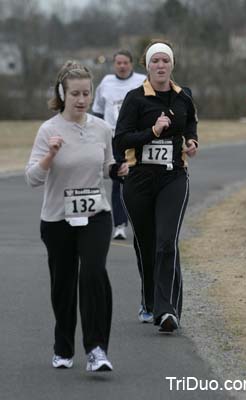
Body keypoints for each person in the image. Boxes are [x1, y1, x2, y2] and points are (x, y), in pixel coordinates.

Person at [25, 60, 128, 371]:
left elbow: (108, 166)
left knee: (94, 273)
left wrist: (117, 170)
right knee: (63, 284)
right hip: (57, 219)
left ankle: (97, 349)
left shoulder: (102, 128)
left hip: (96, 213)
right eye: (75, 94)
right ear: (62, 94)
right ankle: (63, 346)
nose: (82, 100)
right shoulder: (49, 130)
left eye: (86, 93)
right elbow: (32, 178)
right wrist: (50, 155)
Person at [113, 39, 198, 332]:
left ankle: (167, 311)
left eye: (165, 61)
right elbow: (121, 140)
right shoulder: (135, 99)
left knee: (166, 241)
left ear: (172, 64)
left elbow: (190, 125)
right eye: (155, 62)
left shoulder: (183, 96)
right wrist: (152, 131)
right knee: (146, 246)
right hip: (139, 180)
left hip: (173, 177)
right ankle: (149, 301)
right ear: (147, 66)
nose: (160, 66)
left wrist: (191, 141)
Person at [92, 50, 146, 240]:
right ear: (114, 65)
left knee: (138, 179)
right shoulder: (106, 82)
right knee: (118, 180)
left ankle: (140, 220)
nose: (122, 66)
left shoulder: (142, 81)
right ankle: (120, 225)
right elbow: (97, 110)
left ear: (131, 64)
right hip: (113, 137)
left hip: (136, 137)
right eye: (118, 63)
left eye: (125, 63)